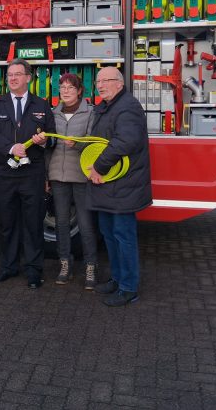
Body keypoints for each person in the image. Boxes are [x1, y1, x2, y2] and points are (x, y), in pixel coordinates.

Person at [0, 59, 55, 289]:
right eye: (9, 75)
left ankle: (33, 270)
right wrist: (11, 147)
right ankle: (8, 266)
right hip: (5, 173)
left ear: (28, 77)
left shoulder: (42, 105)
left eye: (17, 74)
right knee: (7, 223)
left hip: (32, 173)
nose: (12, 78)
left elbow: (53, 138)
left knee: (33, 223)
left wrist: (44, 141)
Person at [87, 66, 152, 307]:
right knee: (109, 235)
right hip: (108, 185)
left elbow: (125, 141)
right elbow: (100, 141)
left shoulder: (128, 107)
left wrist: (99, 167)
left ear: (120, 83)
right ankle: (117, 279)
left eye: (107, 80)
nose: (101, 85)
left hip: (122, 185)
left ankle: (128, 288)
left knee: (123, 236)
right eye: (98, 81)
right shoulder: (107, 107)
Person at [47, 72, 98, 289]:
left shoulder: (90, 113)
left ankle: (91, 266)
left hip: (81, 176)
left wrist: (76, 144)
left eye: (70, 87)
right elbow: (48, 150)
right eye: (62, 87)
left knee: (86, 225)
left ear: (79, 91)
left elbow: (95, 145)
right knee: (61, 223)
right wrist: (46, 176)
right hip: (58, 176)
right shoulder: (52, 114)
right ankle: (65, 264)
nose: (66, 91)